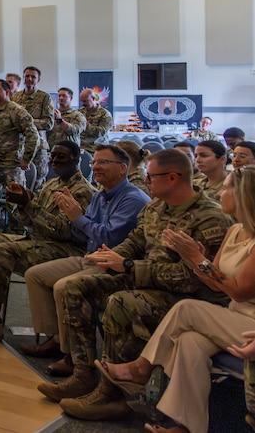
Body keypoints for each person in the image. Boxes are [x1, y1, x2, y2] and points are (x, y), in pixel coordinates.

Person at [42, 149, 232, 416]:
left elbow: (192, 279)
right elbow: (137, 239)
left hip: (190, 301)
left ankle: (113, 394)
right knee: (76, 287)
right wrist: (114, 255)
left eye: (150, 176)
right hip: (151, 284)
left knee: (122, 302)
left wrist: (130, 266)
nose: (145, 180)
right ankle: (83, 373)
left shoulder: (210, 218)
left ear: (173, 178)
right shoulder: (155, 206)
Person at [95, 167, 255, 433]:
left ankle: (141, 368)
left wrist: (197, 259)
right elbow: (213, 279)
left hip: (249, 323)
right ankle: (186, 427)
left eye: (227, 188)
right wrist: (196, 258)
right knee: (189, 342)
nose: (220, 192)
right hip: (232, 316)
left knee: (187, 308)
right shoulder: (235, 230)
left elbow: (239, 290)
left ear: (244, 195)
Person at [0, 141, 96, 346]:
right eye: (53, 156)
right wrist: (22, 204)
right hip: (37, 240)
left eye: (62, 157)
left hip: (65, 249)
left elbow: (66, 231)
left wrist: (28, 205)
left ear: (76, 160)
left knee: (0, 252)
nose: (55, 160)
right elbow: (29, 220)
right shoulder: (51, 183)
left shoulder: (83, 191)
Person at [20, 144, 150, 364]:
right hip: (89, 256)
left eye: (103, 162)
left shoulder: (133, 199)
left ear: (122, 168)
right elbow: (81, 234)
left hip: (113, 265)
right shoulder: (100, 196)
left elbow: (107, 237)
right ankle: (57, 338)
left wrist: (77, 217)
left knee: (63, 286)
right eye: (94, 162)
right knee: (35, 275)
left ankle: (72, 355)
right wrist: (73, 220)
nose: (96, 167)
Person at [0, 78, 39, 232]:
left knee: (14, 204)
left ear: (7, 92)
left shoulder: (17, 111)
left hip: (11, 166)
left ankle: (16, 237)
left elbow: (33, 135)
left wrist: (26, 158)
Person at [12, 66, 55, 190]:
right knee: (18, 184)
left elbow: (48, 123)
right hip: (19, 146)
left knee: (38, 183)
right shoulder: (15, 97)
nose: (29, 79)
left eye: (33, 77)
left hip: (38, 145)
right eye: (27, 76)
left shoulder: (44, 97)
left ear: (38, 80)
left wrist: (27, 123)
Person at [194, 139, 228, 205]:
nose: (197, 160)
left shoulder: (233, 186)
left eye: (204, 155)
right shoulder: (195, 184)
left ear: (222, 159)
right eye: (196, 156)